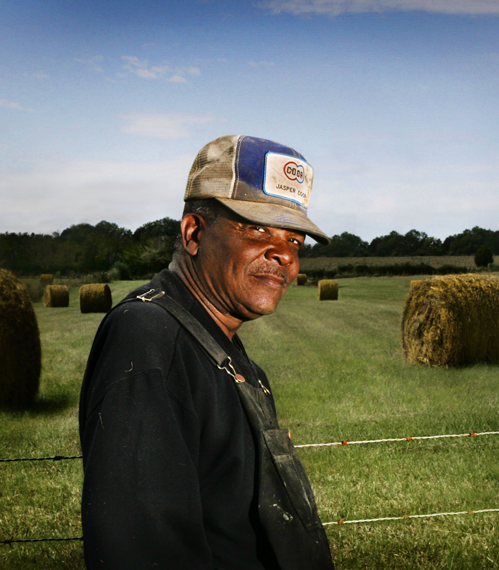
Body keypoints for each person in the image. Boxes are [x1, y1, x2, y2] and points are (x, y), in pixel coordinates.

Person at [79, 135, 335, 569]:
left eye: (295, 240)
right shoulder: (150, 343)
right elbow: (144, 551)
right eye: (256, 228)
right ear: (193, 232)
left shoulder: (218, 347)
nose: (284, 255)